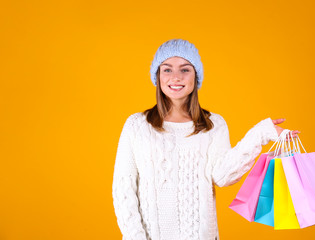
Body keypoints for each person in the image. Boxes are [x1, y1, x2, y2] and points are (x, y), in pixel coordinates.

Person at [112, 39, 300, 240]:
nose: (176, 77)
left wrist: (261, 134)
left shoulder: (214, 125)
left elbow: (223, 176)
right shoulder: (137, 126)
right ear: (157, 76)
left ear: (196, 77)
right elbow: (123, 189)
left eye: (185, 70)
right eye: (167, 70)